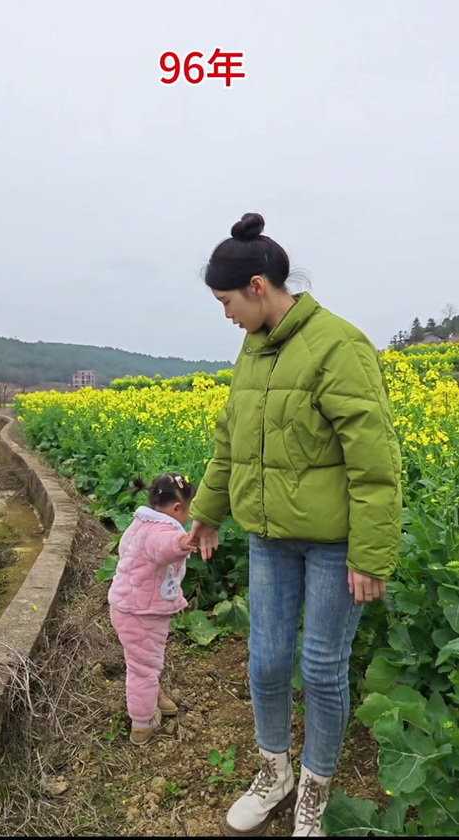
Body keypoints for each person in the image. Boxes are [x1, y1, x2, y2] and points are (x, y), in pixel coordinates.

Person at [188, 212, 402, 837]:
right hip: (269, 538)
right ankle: (273, 770)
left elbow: (375, 461)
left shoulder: (339, 346)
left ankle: (315, 784)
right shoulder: (253, 351)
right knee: (266, 660)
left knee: (322, 665)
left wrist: (372, 552)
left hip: (337, 546)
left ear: (258, 286)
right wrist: (205, 512)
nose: (225, 314)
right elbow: (231, 444)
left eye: (227, 301)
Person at [108, 472, 197, 745]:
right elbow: (164, 547)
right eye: (189, 510)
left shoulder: (141, 521)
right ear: (177, 508)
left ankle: (151, 695)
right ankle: (142, 723)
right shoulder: (162, 531)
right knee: (143, 669)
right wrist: (185, 541)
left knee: (142, 662)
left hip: (127, 607)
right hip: (141, 614)